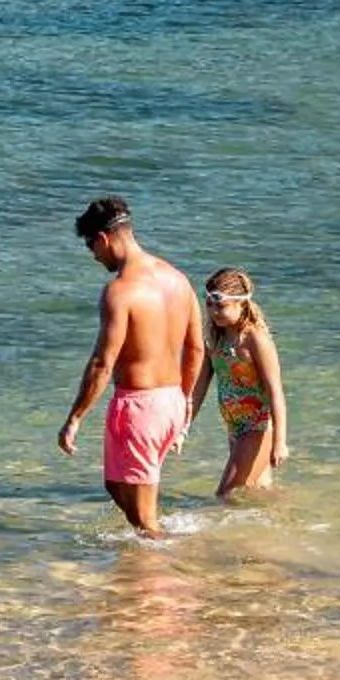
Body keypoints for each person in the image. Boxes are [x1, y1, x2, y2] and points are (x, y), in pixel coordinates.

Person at [57, 196, 203, 536]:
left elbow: (102, 363)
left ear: (104, 239)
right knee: (116, 485)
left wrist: (74, 418)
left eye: (91, 246)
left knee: (143, 519)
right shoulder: (178, 279)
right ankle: (160, 550)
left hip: (140, 406)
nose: (93, 256)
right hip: (171, 401)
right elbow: (196, 347)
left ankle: (165, 577)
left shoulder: (120, 291)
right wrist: (187, 400)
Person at [191, 268, 288, 498]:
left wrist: (280, 442)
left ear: (241, 304)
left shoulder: (255, 339)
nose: (214, 312)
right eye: (210, 305)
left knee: (226, 494)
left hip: (258, 426)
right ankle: (279, 529)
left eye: (221, 306)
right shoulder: (214, 338)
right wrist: (183, 427)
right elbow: (200, 386)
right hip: (234, 426)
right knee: (259, 494)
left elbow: (275, 392)